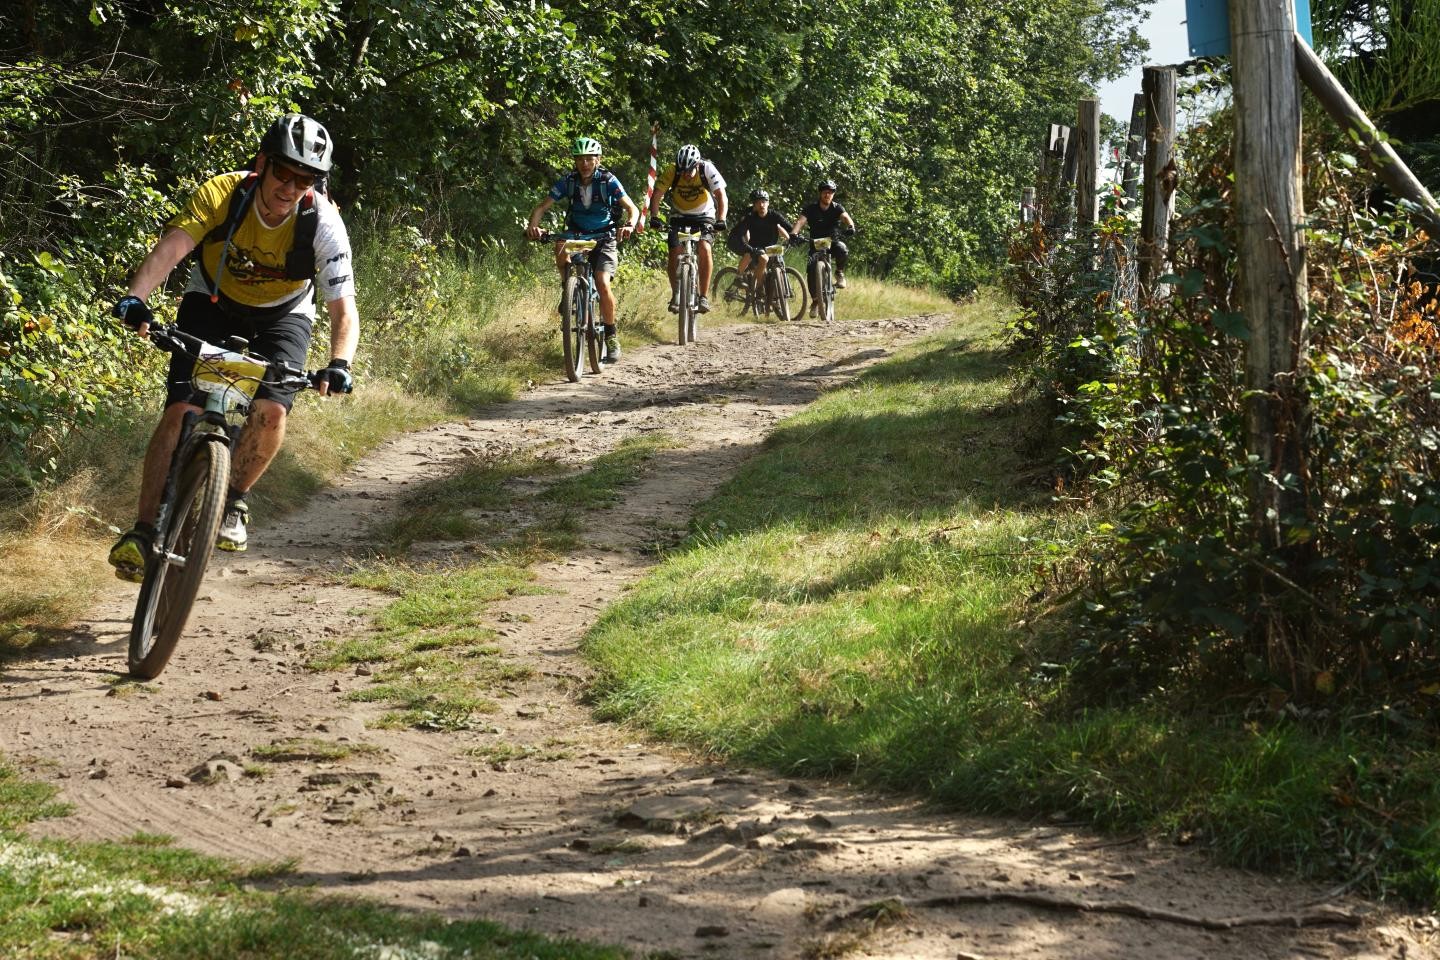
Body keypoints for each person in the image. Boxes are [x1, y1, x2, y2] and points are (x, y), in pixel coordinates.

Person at [107, 113, 359, 580]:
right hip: (213, 300)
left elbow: (343, 309)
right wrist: (136, 298)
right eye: (283, 172)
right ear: (262, 164)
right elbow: (173, 248)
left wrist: (339, 363)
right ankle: (143, 531)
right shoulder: (223, 193)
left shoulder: (323, 222)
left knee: (272, 412)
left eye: (304, 179)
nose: (290, 187)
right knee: (182, 410)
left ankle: (235, 499)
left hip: (285, 314)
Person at [526, 136, 639, 363]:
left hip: (604, 236)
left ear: (598, 160)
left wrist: (629, 225)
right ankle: (567, 289)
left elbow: (631, 208)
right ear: (575, 161)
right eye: (580, 159)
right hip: (576, 233)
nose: (584, 164)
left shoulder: (608, 181)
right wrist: (533, 226)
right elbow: (542, 206)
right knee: (559, 245)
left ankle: (611, 336)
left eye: (589, 159)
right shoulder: (568, 181)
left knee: (602, 281)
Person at [648, 143, 727, 314]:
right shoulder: (672, 170)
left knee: (704, 247)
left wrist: (721, 219)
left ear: (697, 165)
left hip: (704, 215)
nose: (686, 175)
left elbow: (721, 196)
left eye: (689, 171)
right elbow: (657, 195)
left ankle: (703, 296)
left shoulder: (707, 169)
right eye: (682, 171)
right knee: (674, 251)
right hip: (679, 216)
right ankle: (676, 293)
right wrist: (654, 217)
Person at [790, 178, 856, 316]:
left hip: (832, 241)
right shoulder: (811, 208)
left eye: (831, 192)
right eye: (825, 192)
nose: (828, 195)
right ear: (820, 193)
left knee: (842, 249)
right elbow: (800, 221)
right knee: (811, 270)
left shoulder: (837, 207)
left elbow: (845, 217)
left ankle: (839, 273)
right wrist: (794, 233)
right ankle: (815, 301)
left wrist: (851, 226)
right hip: (816, 243)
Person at [725, 189, 794, 293]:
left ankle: (777, 294)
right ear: (754, 205)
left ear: (768, 203)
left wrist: (794, 237)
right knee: (757, 257)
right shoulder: (750, 217)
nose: (761, 205)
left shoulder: (774, 215)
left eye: (763, 202)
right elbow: (742, 232)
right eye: (758, 203)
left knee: (777, 261)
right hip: (754, 246)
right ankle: (757, 286)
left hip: (769, 247)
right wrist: (748, 246)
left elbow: (786, 227)